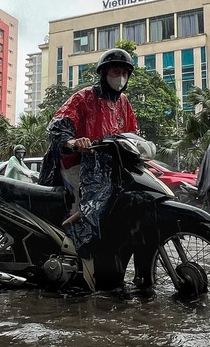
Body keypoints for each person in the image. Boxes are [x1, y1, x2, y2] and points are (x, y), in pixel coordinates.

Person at [44, 47, 139, 227]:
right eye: (116, 71)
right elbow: (58, 126)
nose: (120, 77)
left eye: (125, 73)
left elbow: (132, 133)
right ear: (104, 73)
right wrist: (73, 142)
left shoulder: (124, 102)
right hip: (79, 165)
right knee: (87, 206)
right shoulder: (84, 97)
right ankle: (73, 241)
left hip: (109, 168)